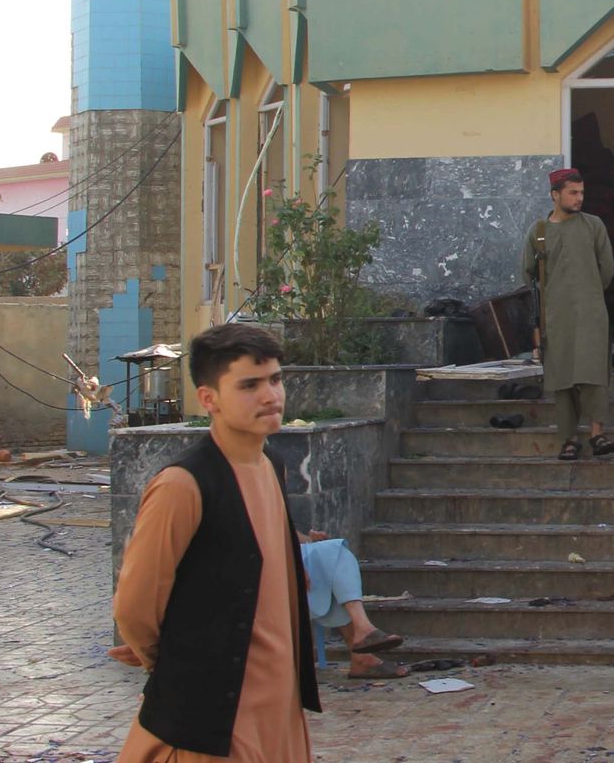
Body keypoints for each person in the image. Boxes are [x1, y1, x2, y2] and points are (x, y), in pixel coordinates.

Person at [110, 323, 320, 762]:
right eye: (249, 385)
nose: (270, 396)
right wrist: (180, 658)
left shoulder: (271, 465)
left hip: (278, 711)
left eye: (275, 380)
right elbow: (135, 606)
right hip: (215, 721)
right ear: (210, 399)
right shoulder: (182, 486)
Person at [523, 168, 614, 460]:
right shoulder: (538, 232)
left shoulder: (593, 226)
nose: (579, 198)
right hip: (556, 318)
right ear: (555, 195)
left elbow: (607, 270)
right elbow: (529, 278)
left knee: (593, 373)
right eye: (572, 193)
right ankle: (568, 439)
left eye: (581, 193)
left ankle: (597, 434)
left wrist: (586, 295)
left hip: (591, 313)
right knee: (561, 378)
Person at [295, 533, 408, 679]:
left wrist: (309, 539)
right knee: (332, 555)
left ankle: (363, 639)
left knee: (335, 553)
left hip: (285, 552)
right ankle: (363, 641)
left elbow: (281, 527)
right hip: (266, 564)